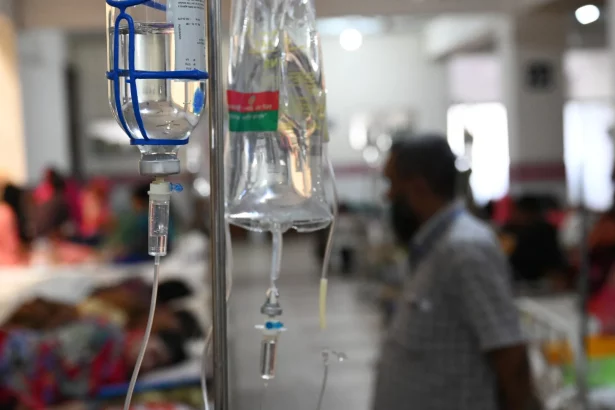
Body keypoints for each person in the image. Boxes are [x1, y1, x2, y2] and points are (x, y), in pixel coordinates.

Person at [372, 136, 540, 410]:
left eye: (392, 186)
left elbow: (510, 357)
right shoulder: (433, 247)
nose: (387, 197)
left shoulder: (464, 250)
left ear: (418, 188)